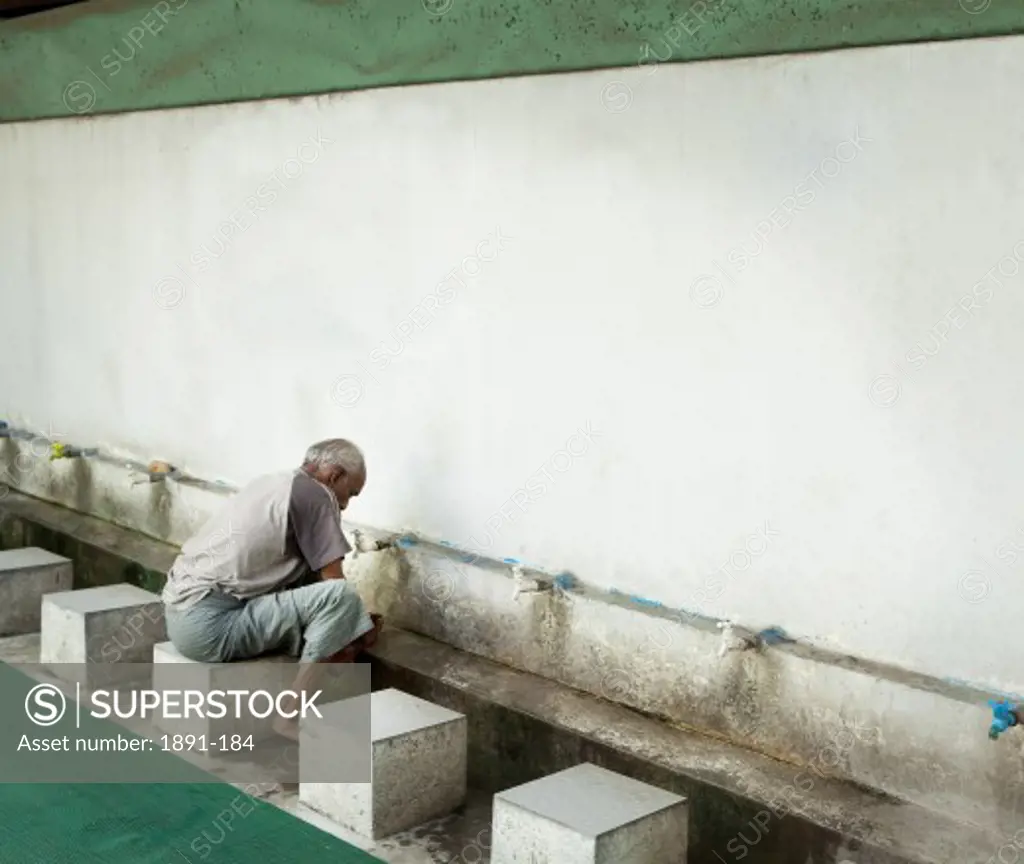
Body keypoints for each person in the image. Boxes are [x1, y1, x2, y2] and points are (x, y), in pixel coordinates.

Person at [161, 438, 382, 739]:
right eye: (350, 493)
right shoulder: (317, 495)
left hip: (181, 615)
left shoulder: (274, 482)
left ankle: (332, 653)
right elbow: (334, 582)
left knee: (327, 598)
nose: (344, 504)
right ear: (334, 477)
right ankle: (288, 718)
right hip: (211, 626)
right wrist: (354, 624)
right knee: (342, 599)